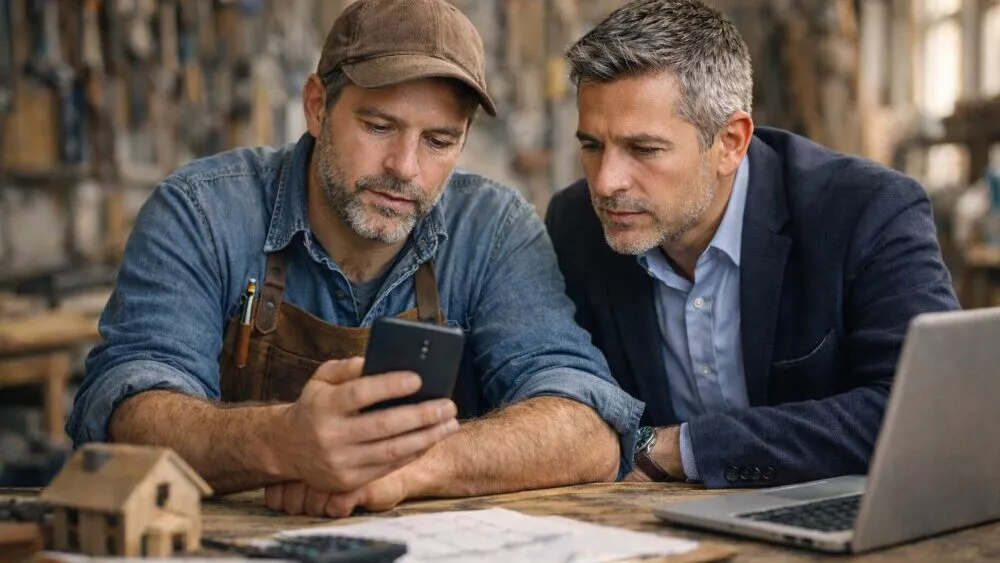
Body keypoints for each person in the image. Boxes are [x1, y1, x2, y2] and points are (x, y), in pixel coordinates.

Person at [69, 0, 643, 517]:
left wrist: (405, 467)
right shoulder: (200, 211)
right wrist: (280, 441)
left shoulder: (493, 229)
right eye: (378, 126)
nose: (405, 167)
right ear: (318, 107)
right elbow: (126, 410)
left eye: (438, 141)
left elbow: (587, 427)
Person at [545, 0, 959, 489]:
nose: (607, 181)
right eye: (592, 145)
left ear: (731, 142)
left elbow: (931, 411)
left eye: (643, 149)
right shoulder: (575, 224)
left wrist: (683, 448)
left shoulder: (867, 211)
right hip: (657, 525)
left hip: (839, 517)